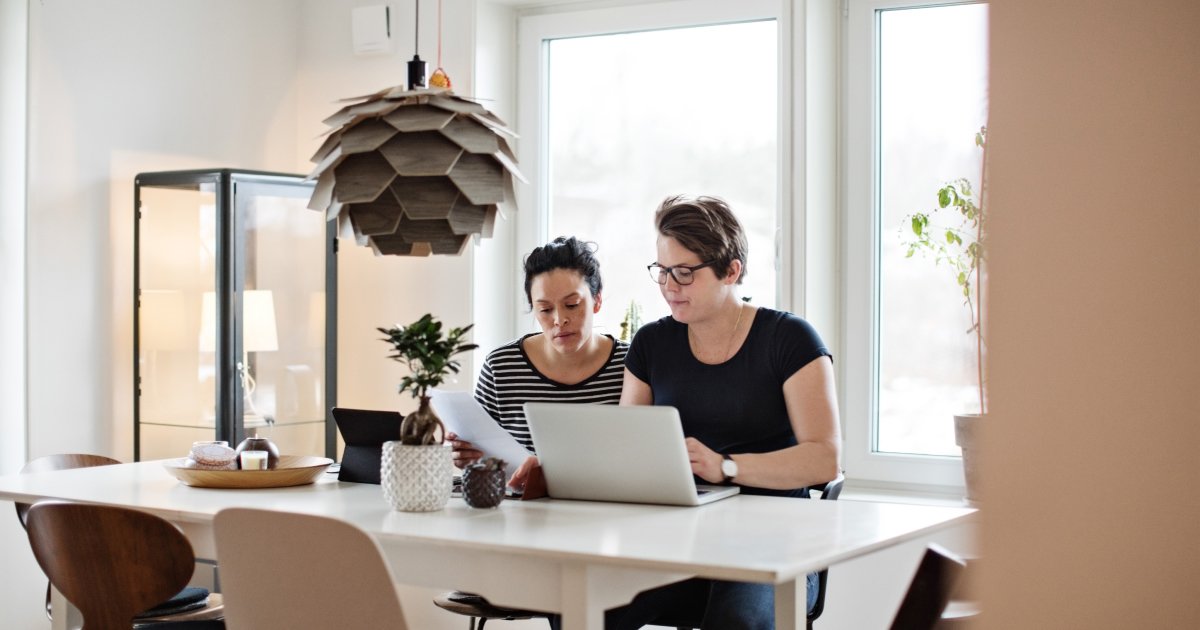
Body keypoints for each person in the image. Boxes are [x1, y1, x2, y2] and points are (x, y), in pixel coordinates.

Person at [612, 195, 842, 630]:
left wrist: (728, 467)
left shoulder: (790, 339)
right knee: (583, 600)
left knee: (738, 618)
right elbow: (629, 448)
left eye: (684, 273)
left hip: (777, 545)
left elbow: (824, 458)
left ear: (731, 271)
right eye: (661, 271)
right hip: (678, 542)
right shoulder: (651, 344)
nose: (668, 286)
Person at [449, 236, 628, 479]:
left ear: (596, 301)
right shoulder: (501, 367)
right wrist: (470, 458)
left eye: (572, 305)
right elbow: (484, 462)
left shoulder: (630, 364)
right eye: (544, 309)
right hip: (522, 511)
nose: (558, 320)